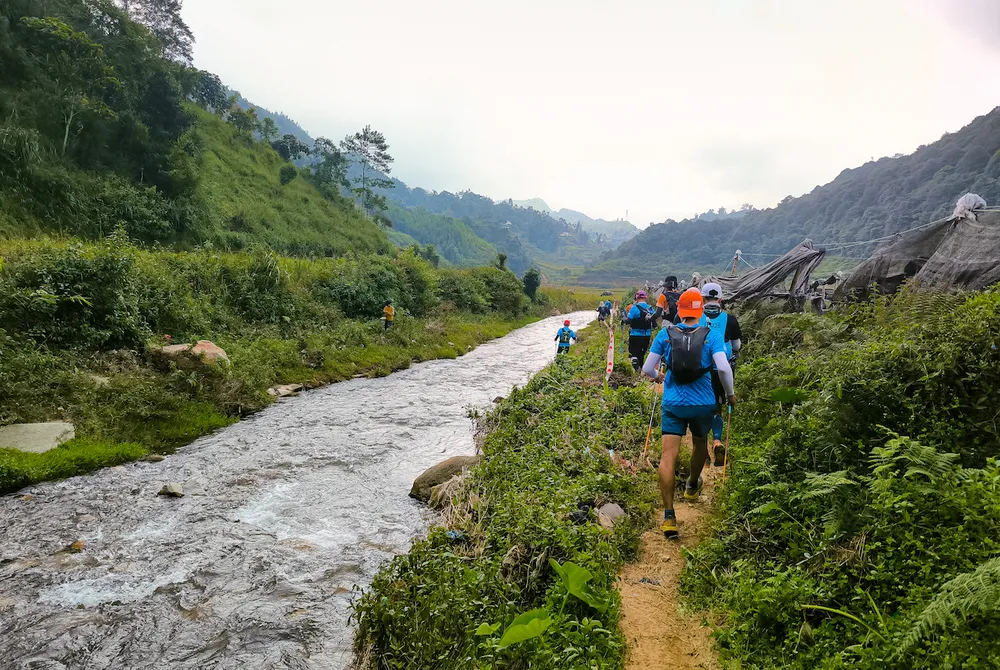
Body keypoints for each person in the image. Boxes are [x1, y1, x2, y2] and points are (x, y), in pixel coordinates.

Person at [641, 288, 735, 539]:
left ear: (680, 311)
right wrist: (730, 394)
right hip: (703, 403)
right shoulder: (711, 336)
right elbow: (724, 368)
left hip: (673, 403)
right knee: (699, 444)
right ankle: (692, 484)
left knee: (668, 456)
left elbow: (647, 368)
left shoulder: (665, 334)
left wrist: (659, 376)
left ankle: (669, 516)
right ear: (700, 310)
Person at [698, 283, 743, 466]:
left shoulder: (696, 317)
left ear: (702, 299)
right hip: (721, 370)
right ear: (720, 299)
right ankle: (717, 441)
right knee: (718, 406)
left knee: (701, 406)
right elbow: (736, 346)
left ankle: (702, 448)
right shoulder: (729, 319)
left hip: (700, 371)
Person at [627, 290, 654, 370]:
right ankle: (641, 370)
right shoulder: (650, 309)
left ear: (636, 298)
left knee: (633, 353)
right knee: (642, 354)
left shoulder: (634, 308)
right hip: (647, 335)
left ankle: (635, 369)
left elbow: (628, 320)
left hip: (635, 335)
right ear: (645, 298)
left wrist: (624, 319)